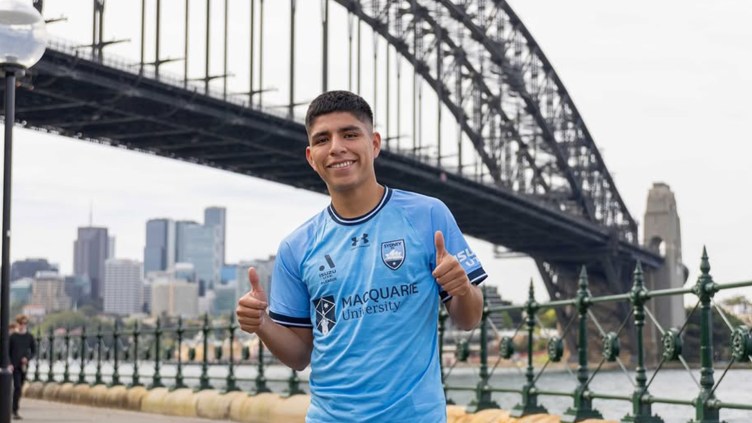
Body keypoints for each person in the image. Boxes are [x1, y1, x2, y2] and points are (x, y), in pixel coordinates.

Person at [236, 91, 487, 422]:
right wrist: (262, 324)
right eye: (323, 139)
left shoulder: (428, 215)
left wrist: (462, 289)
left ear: (375, 144)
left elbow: (469, 319)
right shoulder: (296, 247)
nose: (336, 147)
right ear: (311, 157)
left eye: (350, 134)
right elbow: (299, 356)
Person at [9, 314, 36, 420]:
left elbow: (33, 351)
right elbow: (7, 351)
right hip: (14, 366)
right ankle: (14, 410)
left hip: (24, 366)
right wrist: (9, 363)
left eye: (24, 323)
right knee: (17, 387)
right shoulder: (12, 337)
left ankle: (13, 407)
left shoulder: (29, 337)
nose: (22, 325)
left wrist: (27, 358)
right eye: (20, 323)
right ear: (17, 323)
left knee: (20, 387)